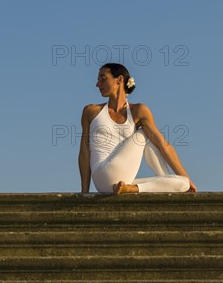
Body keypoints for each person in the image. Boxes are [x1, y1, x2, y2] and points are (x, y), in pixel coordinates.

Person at [78, 63, 197, 194]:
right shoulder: (91, 111)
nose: (97, 84)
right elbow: (84, 152)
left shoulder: (137, 111)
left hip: (117, 183)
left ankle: (134, 189)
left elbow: (165, 147)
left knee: (183, 183)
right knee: (145, 134)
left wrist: (187, 179)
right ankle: (165, 177)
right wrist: (84, 192)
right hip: (101, 175)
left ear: (119, 80)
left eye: (103, 78)